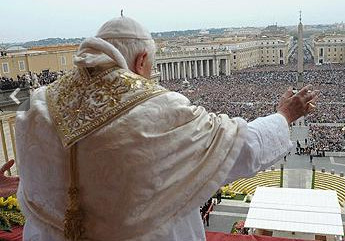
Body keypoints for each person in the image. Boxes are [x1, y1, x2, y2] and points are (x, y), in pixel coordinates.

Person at [15, 16, 318, 241]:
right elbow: (241, 148)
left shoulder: (35, 103)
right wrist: (284, 116)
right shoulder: (159, 110)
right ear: (141, 60)